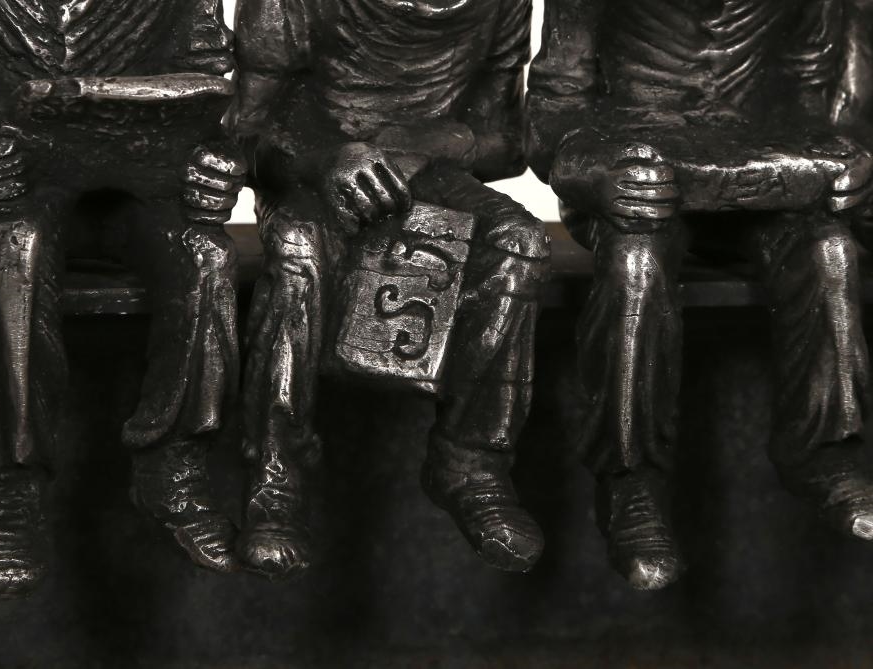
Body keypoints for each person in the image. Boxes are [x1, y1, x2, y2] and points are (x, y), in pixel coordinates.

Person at [0, 0, 246, 597]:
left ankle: (173, 464)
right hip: (9, 191)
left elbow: (213, 89)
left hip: (135, 191)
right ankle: (11, 487)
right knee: (18, 249)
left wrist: (218, 153)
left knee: (207, 257)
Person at [529, 0, 873, 590]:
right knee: (636, 263)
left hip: (766, 180)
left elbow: (820, 97)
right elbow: (551, 111)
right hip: (638, 180)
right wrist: (593, 173)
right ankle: (630, 481)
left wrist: (846, 163)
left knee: (829, 252)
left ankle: (825, 449)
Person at [233, 0, 549, 579]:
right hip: (310, 175)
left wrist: (431, 143)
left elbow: (507, 143)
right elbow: (244, 133)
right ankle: (276, 475)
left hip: (430, 171)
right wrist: (329, 157)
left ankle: (470, 462)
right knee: (298, 251)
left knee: (519, 242)